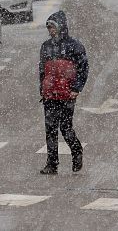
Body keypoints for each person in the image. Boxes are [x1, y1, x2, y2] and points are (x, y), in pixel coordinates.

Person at [38, 11, 88, 175]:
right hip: (50, 95)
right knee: (50, 129)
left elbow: (83, 68)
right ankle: (52, 163)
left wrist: (76, 88)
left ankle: (77, 152)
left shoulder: (74, 46)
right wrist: (43, 88)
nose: (50, 30)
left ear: (60, 27)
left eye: (53, 27)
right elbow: (42, 69)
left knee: (66, 128)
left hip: (67, 94)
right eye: (49, 27)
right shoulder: (46, 46)